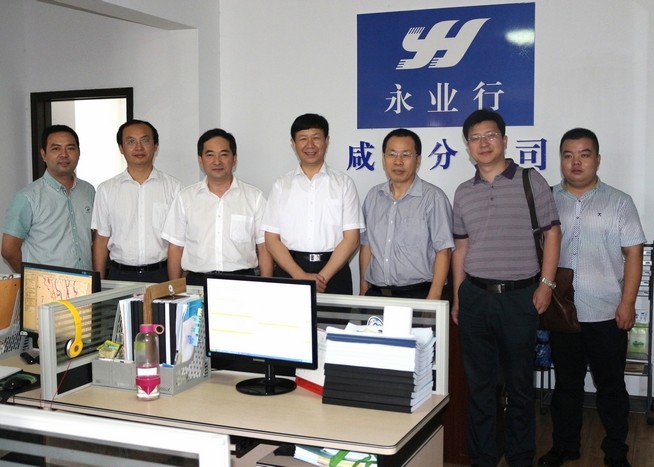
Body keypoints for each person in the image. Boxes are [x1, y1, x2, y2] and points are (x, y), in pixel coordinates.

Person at [451, 109, 561, 467]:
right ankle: (483, 458)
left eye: (490, 135)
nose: (483, 143)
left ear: (504, 140)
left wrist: (546, 285)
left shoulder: (530, 180)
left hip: (519, 297)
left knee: (520, 387)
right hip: (475, 298)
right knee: (479, 388)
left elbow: (553, 233)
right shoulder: (463, 192)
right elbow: (461, 248)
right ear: (468, 146)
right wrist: (458, 296)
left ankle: (519, 458)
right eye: (475, 138)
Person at [538, 128, 645, 467]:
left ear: (597, 159)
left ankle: (616, 451)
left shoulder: (619, 201)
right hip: (562, 312)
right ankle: (565, 445)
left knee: (611, 387)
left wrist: (627, 303)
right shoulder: (547, 200)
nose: (576, 162)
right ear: (561, 160)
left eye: (584, 155)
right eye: (568, 155)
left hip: (606, 312)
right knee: (566, 386)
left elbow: (634, 253)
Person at [262, 113, 364, 294]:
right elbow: (271, 240)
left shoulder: (344, 184)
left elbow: (352, 239)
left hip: (334, 271)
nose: (310, 145)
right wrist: (300, 275)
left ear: (327, 141)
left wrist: (321, 278)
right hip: (290, 271)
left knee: (335, 315)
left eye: (316, 138)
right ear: (293, 143)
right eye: (303, 139)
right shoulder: (281, 185)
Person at [162, 128, 272, 286]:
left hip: (242, 281)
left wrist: (265, 287)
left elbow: (264, 248)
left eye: (224, 154)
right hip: (197, 282)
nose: (217, 161)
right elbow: (176, 248)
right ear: (200, 160)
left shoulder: (255, 197)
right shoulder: (184, 198)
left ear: (234, 158)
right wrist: (175, 291)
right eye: (210, 155)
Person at [359, 128, 453, 300]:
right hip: (376, 295)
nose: (398, 161)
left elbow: (443, 251)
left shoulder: (433, 197)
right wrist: (363, 288)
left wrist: (433, 298)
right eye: (392, 154)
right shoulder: (373, 196)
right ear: (383, 158)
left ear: (418, 160)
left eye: (406, 155)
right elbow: (366, 245)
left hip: (419, 295)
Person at [91, 120, 182, 282]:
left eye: (145, 140)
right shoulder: (106, 189)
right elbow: (101, 239)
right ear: (121, 148)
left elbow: (178, 241)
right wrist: (98, 283)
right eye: (131, 141)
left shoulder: (174, 188)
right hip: (120, 275)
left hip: (161, 274)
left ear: (155, 146)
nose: (138, 147)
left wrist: (175, 284)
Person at [2, 124, 95, 272]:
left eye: (70, 148)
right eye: (56, 148)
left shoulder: (89, 191)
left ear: (79, 152)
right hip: (46, 284)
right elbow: (8, 250)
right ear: (43, 154)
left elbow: (93, 238)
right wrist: (32, 277)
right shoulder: (27, 197)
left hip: (85, 281)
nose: (64, 154)